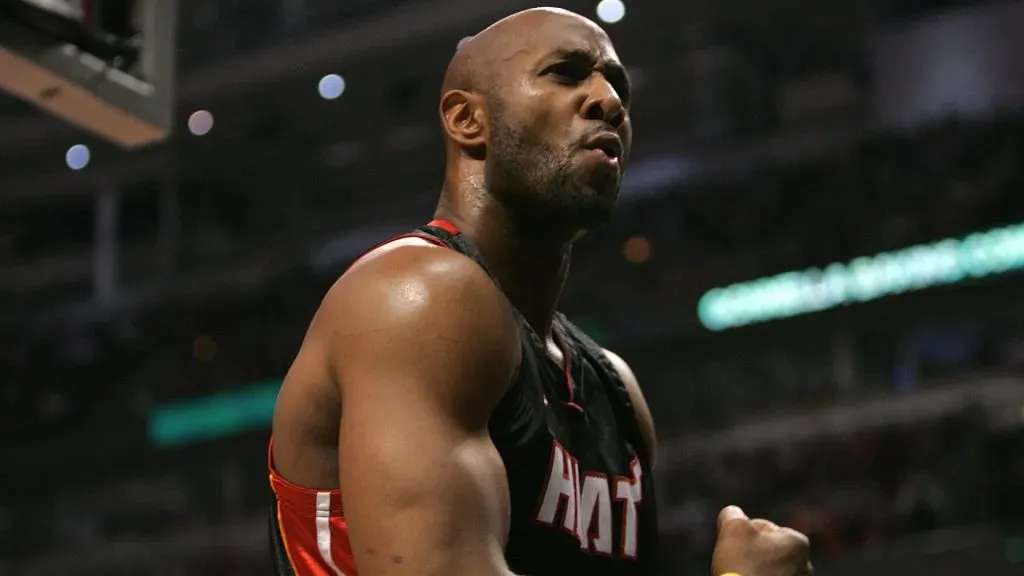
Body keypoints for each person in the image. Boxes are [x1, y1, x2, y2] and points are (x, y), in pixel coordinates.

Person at [268, 7, 812, 576]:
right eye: (566, 73)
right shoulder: (416, 298)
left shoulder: (613, 389)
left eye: (617, 83)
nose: (608, 99)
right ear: (467, 120)